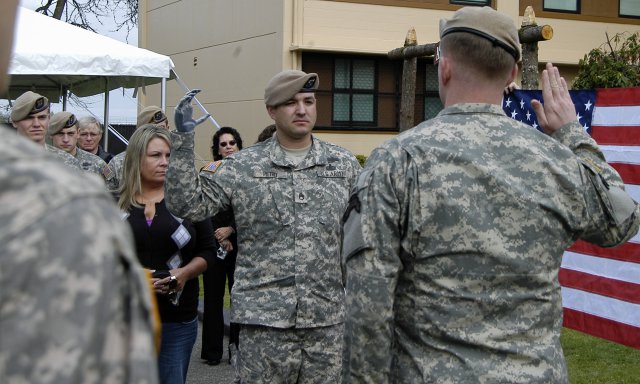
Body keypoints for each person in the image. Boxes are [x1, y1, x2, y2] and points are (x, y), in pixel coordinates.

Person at [340, 6, 640, 383]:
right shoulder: (555, 161)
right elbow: (622, 220)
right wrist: (572, 135)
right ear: (512, 73)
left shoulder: (397, 161)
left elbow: (367, 307)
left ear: (443, 66)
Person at [165, 70, 361, 383]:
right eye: (291, 103)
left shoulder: (343, 164)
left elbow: (363, 234)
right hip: (264, 325)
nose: (301, 109)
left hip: (326, 323)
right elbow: (187, 205)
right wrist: (183, 143)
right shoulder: (242, 166)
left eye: (308, 101)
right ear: (271, 110)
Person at [0, 1, 160, 382]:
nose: (39, 124)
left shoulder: (72, 173)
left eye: (43, 117)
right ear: (16, 122)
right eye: (32, 119)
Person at [118, 124, 216, 384]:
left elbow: (208, 249)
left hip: (177, 319)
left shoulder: (189, 202)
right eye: (156, 155)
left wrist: (183, 273)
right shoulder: (114, 203)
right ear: (137, 157)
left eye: (169, 155)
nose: (165, 162)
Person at [200, 126, 243, 366]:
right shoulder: (208, 171)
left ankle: (237, 347)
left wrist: (232, 230)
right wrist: (220, 234)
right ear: (217, 149)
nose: (228, 147)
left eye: (232, 143)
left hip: (239, 243)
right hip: (214, 241)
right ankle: (212, 351)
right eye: (223, 144)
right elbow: (204, 207)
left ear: (238, 145)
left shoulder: (249, 172)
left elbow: (250, 207)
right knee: (213, 298)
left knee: (239, 297)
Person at [49, 111, 118, 191]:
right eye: (60, 134)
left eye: (70, 134)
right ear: (51, 135)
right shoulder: (39, 161)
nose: (66, 139)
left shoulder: (98, 164)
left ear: (77, 133)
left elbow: (111, 195)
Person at [10, 90, 81, 169]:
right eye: (29, 118)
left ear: (48, 119)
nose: (36, 124)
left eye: (42, 117)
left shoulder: (67, 162)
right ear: (14, 122)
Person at [110, 106, 169, 188]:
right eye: (150, 130)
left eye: (162, 129)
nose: (157, 134)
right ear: (139, 132)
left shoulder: (175, 161)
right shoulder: (119, 163)